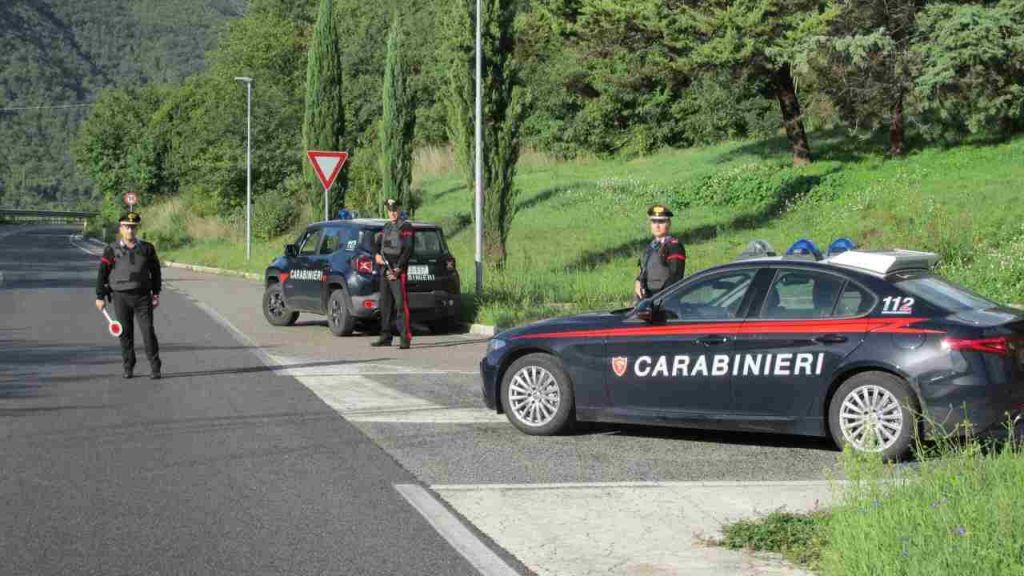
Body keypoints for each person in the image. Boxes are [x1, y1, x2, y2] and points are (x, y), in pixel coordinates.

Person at [94, 211, 163, 379]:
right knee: (125, 334)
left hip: (142, 296)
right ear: (121, 228)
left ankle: (155, 368)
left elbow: (155, 272)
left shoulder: (147, 248)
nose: (130, 230)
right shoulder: (111, 250)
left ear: (137, 228)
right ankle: (128, 367)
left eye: (133, 227)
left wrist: (156, 293)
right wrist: (100, 296)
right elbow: (102, 274)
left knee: (148, 332)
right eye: (127, 227)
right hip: (120, 297)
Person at [371, 199, 414, 349]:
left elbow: (408, 249)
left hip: (397, 271)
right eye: (390, 211)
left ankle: (405, 338)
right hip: (384, 271)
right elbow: (377, 244)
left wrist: (398, 269)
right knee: (385, 305)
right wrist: (376, 255)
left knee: (401, 305)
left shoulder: (406, 227)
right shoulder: (386, 226)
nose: (393, 213)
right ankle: (385, 336)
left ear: (399, 210)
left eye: (395, 210)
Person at [635, 204, 686, 300]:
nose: (657, 226)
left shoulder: (674, 246)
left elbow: (675, 276)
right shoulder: (651, 246)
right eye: (654, 222)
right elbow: (646, 270)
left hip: (664, 299)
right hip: (648, 298)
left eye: (661, 222)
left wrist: (661, 299)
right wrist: (638, 281)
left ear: (669, 224)